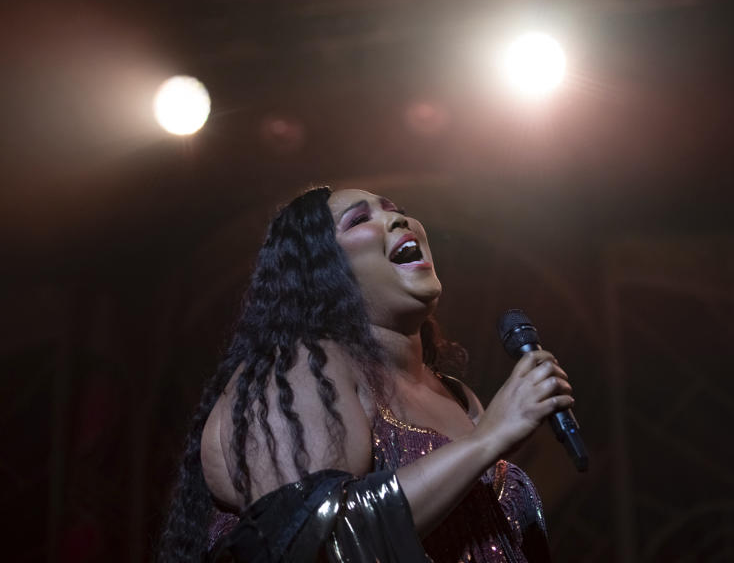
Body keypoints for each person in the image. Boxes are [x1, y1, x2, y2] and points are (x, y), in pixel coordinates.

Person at [157, 186, 574, 562]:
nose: (397, 219)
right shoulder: (295, 371)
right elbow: (309, 545)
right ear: (319, 272)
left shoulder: (460, 398)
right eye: (359, 219)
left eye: (397, 210)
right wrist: (489, 438)